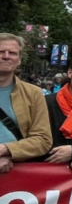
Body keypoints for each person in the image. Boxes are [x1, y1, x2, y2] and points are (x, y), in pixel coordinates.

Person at [0, 33, 53, 173]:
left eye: (12, 53)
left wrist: (7, 150)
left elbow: (43, 140)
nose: (6, 56)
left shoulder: (33, 93)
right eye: (1, 51)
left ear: (19, 60)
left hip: (16, 173)